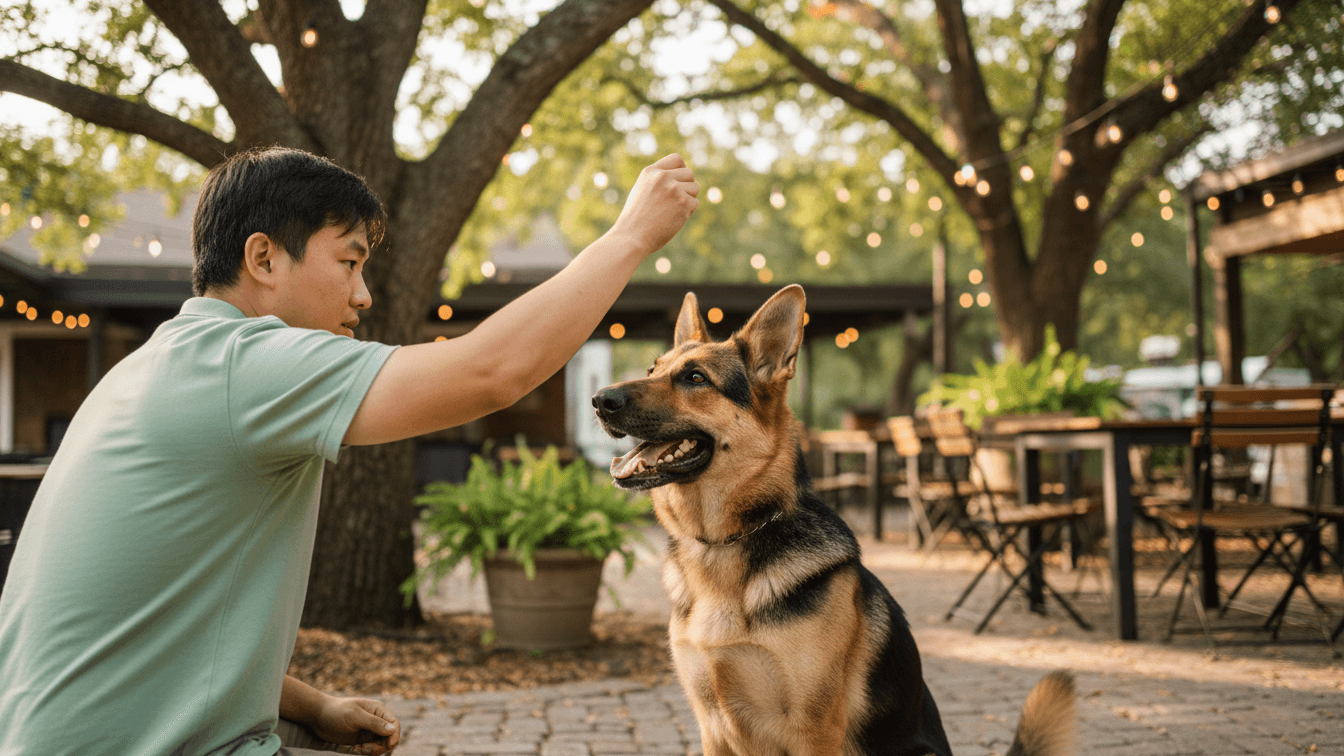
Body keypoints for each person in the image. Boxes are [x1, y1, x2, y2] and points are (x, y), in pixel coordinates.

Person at [0, 146, 698, 755]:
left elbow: (155, 624)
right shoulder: (246, 363)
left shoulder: (156, 366)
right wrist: (630, 235)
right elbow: (492, 373)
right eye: (349, 261)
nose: (363, 295)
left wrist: (307, 705)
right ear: (264, 257)